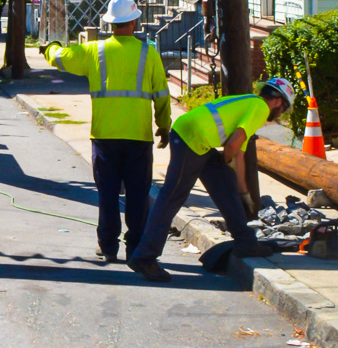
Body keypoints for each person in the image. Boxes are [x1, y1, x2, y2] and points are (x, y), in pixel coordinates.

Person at [126, 77, 296, 283]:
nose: (279, 114)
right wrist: (227, 161)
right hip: (193, 138)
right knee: (171, 197)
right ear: (279, 102)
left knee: (224, 182)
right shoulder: (259, 108)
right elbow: (232, 148)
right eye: (283, 109)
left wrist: (244, 194)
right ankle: (144, 257)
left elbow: (238, 156)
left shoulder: (250, 102)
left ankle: (245, 241)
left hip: (198, 139)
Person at [43, 0, 170, 263]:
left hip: (104, 137)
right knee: (137, 196)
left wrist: (49, 48)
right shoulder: (149, 53)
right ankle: (135, 248)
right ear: (135, 21)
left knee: (108, 195)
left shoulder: (95, 51)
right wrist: (164, 126)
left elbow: (62, 58)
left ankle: (108, 246)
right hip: (138, 137)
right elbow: (161, 94)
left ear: (110, 23)